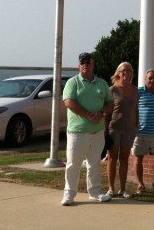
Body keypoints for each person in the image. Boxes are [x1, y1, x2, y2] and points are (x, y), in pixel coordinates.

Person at [61, 52, 114, 206]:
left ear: (93, 64)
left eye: (88, 62)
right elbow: (68, 102)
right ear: (79, 66)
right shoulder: (73, 82)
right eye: (82, 63)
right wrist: (88, 115)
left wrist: (102, 113)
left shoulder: (102, 83)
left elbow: (110, 103)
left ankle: (95, 191)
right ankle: (69, 194)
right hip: (77, 132)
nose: (85, 65)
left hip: (97, 132)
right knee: (73, 164)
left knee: (94, 163)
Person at [105, 61, 138, 198]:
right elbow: (107, 112)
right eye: (123, 70)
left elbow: (136, 109)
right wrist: (105, 130)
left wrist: (137, 124)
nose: (126, 73)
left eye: (129, 70)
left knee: (124, 159)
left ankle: (123, 189)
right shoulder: (112, 90)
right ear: (118, 73)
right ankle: (111, 188)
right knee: (112, 158)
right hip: (114, 128)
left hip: (129, 130)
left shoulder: (135, 90)